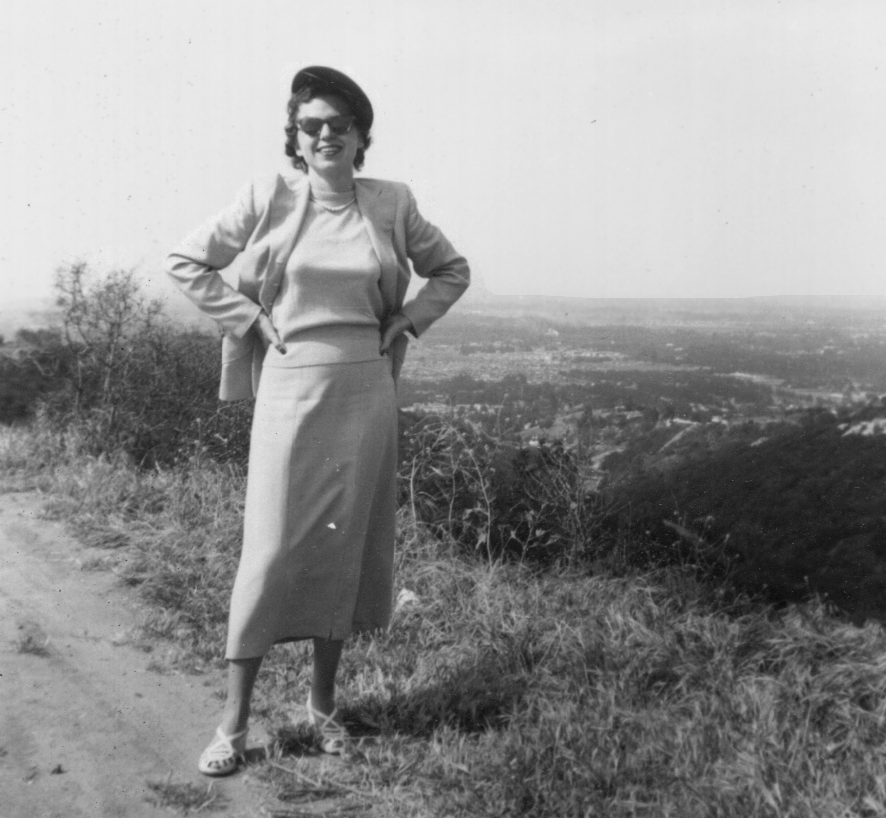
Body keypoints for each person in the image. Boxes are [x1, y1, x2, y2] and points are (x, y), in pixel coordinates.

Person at [165, 66, 469, 775]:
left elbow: (451, 270)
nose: (326, 135)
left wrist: (408, 321)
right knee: (270, 549)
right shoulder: (267, 196)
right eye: (311, 125)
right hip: (289, 385)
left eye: (340, 124)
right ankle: (234, 723)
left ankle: (322, 706)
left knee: (344, 548)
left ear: (361, 134)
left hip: (365, 390)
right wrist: (248, 318)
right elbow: (185, 262)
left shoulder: (392, 202)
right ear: (295, 136)